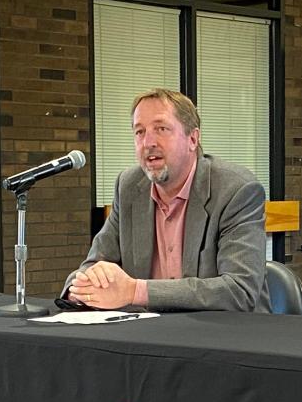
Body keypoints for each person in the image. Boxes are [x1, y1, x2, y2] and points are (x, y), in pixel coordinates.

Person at [64, 88, 267, 311]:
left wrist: (134, 291)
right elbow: (94, 264)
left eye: (161, 129)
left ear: (193, 138)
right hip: (152, 334)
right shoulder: (129, 186)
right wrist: (83, 287)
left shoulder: (235, 190)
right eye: (139, 132)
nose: (148, 142)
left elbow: (239, 290)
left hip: (226, 335)